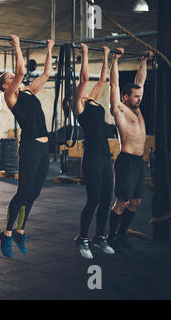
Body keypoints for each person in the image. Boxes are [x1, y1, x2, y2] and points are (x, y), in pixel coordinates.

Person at [0, 35, 54, 257]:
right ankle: (7, 233)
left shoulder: (29, 91)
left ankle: (20, 230)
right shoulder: (11, 96)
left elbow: (46, 74)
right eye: (10, 78)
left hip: (43, 148)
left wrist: (49, 48)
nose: (15, 78)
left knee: (35, 192)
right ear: (4, 86)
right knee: (22, 192)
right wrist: (18, 46)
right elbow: (20, 72)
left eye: (14, 77)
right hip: (30, 147)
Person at [108, 48, 153, 250]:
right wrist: (115, 59)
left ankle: (122, 234)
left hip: (139, 161)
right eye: (135, 96)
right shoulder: (120, 110)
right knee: (122, 202)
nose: (139, 99)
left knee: (135, 201)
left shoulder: (137, 109)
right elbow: (114, 84)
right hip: (126, 160)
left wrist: (144, 60)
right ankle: (111, 237)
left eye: (139, 96)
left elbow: (140, 82)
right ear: (125, 97)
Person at [73, 44, 115, 259]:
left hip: (105, 157)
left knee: (107, 199)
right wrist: (86, 54)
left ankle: (100, 237)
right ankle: (83, 238)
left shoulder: (93, 101)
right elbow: (85, 80)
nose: (86, 90)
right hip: (91, 159)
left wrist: (107, 55)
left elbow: (102, 80)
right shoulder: (80, 107)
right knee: (94, 199)